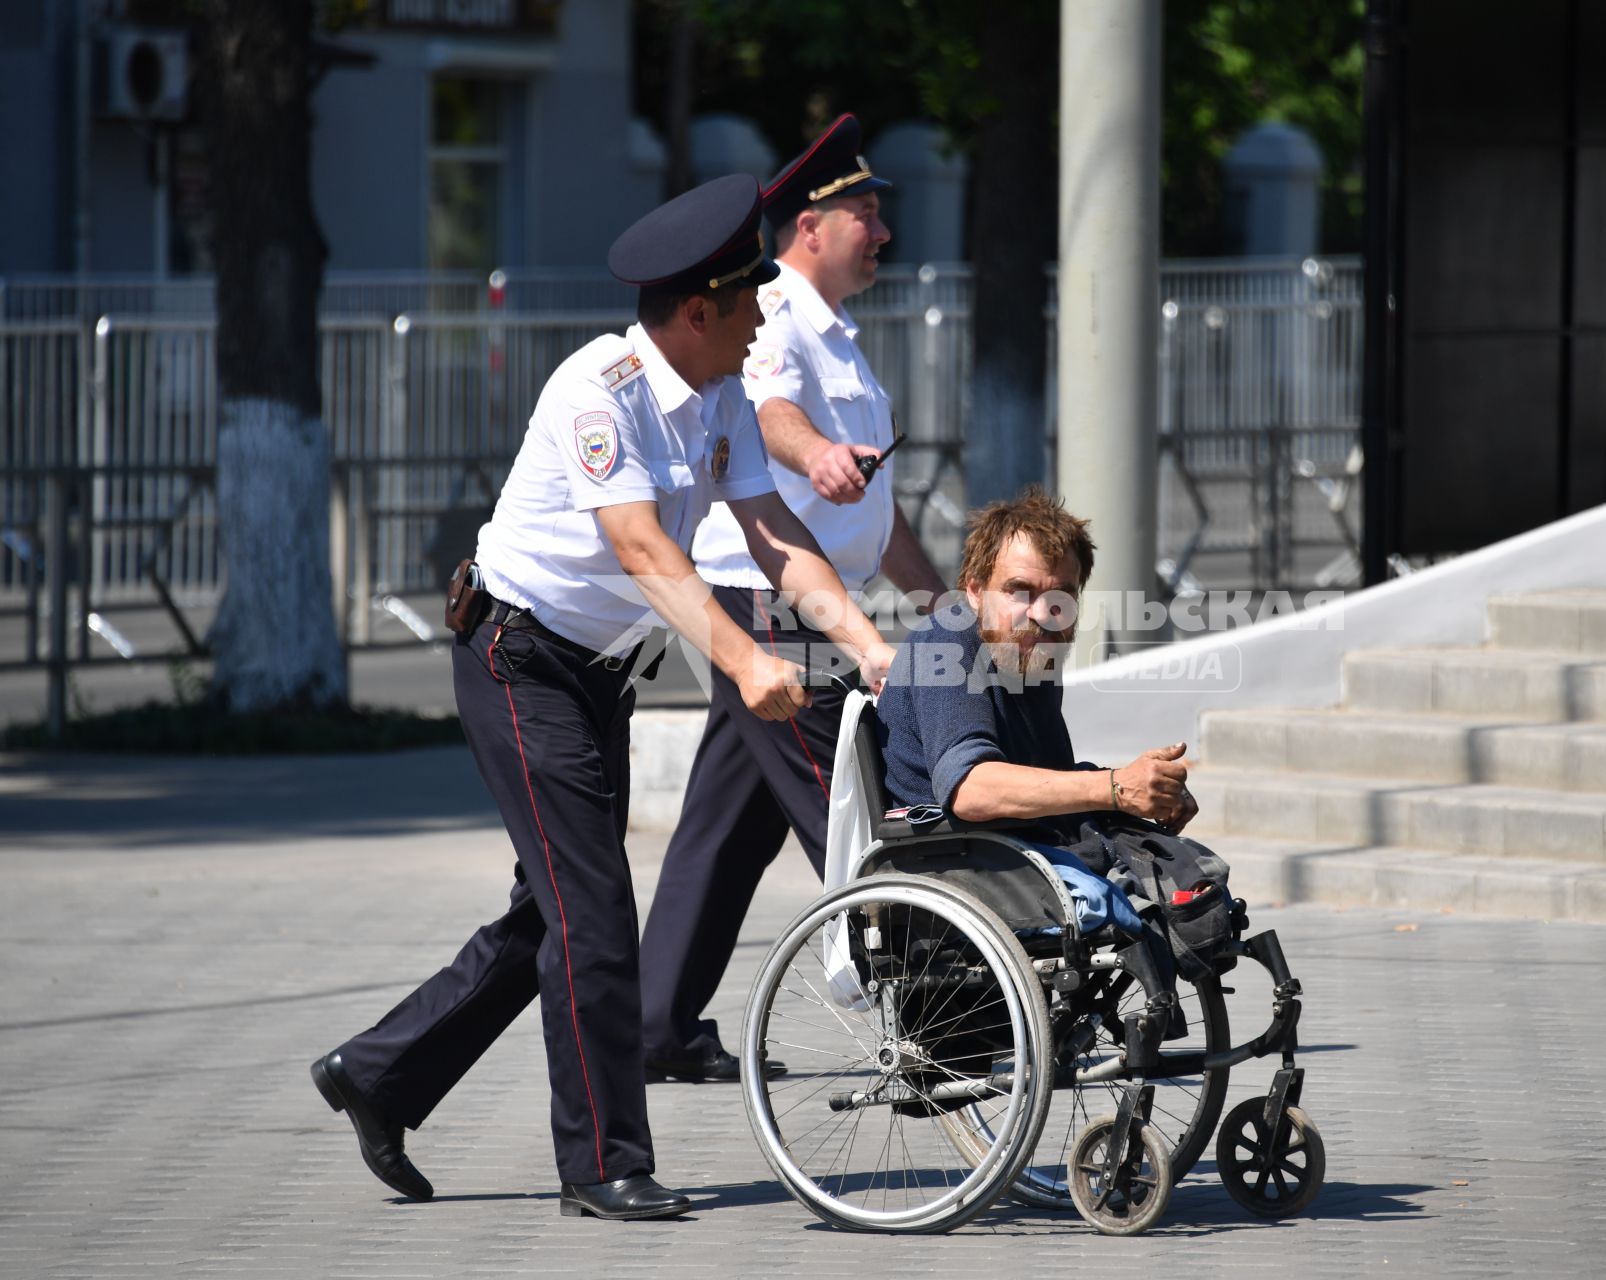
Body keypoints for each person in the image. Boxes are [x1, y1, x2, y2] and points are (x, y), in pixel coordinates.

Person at [310, 174, 895, 1223]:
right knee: (593, 913)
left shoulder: (721, 395)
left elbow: (767, 530)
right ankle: (603, 1163)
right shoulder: (603, 388)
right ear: (698, 310)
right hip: (515, 658)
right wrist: (745, 659)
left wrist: (859, 635)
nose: (766, 311)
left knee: (551, 909)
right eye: (748, 297)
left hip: (593, 672)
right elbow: (644, 547)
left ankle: (381, 1071)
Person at [636, 114, 947, 1084]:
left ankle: (654, 1024)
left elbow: (875, 510)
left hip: (804, 595)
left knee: (729, 825)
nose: (882, 232)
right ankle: (946, 1013)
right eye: (865, 212)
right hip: (769, 599)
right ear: (810, 224)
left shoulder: (839, 337)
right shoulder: (772, 316)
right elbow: (770, 420)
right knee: (851, 806)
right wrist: (814, 451)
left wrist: (943, 605)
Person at [876, 487, 1197, 835]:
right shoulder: (944, 644)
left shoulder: (1032, 653)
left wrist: (1149, 787)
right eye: (1020, 591)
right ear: (975, 591)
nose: (1043, 613)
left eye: (1061, 595)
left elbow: (1045, 776)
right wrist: (1114, 788)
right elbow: (970, 788)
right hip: (965, 862)